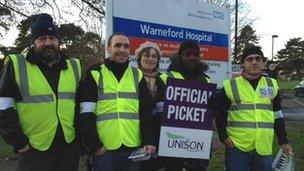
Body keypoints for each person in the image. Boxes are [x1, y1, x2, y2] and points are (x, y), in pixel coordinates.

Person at [0, 13, 81, 171]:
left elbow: (79, 105)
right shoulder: (16, 64)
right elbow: (3, 107)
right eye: (42, 38)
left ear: (58, 41)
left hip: (68, 147)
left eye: (52, 38)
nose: (48, 42)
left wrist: (79, 140)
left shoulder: (74, 66)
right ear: (34, 42)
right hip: (34, 149)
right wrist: (19, 143)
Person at [78, 32, 156, 171]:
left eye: (126, 46)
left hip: (134, 148)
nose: (122, 49)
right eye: (117, 45)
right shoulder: (95, 73)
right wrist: (94, 144)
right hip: (104, 149)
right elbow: (86, 112)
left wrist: (149, 140)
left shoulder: (136, 74)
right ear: (108, 49)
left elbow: (146, 111)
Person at [215, 45, 293, 171]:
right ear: (243, 64)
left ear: (263, 63)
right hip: (237, 147)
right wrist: (224, 137)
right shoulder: (230, 85)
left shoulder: (272, 84)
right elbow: (221, 115)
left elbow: (278, 114)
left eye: (258, 59)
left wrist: (283, 141)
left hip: (263, 146)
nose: (254, 62)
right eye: (250, 59)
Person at [155, 39, 210, 171]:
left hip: (197, 146)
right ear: (180, 57)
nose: (192, 58)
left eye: (195, 55)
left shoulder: (206, 80)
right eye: (188, 54)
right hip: (173, 146)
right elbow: (159, 113)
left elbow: (207, 113)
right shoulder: (165, 78)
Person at [134, 41, 163, 171]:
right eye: (146, 55)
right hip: (136, 133)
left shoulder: (163, 79)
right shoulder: (131, 77)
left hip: (158, 133)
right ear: (139, 58)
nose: (150, 59)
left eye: (154, 56)